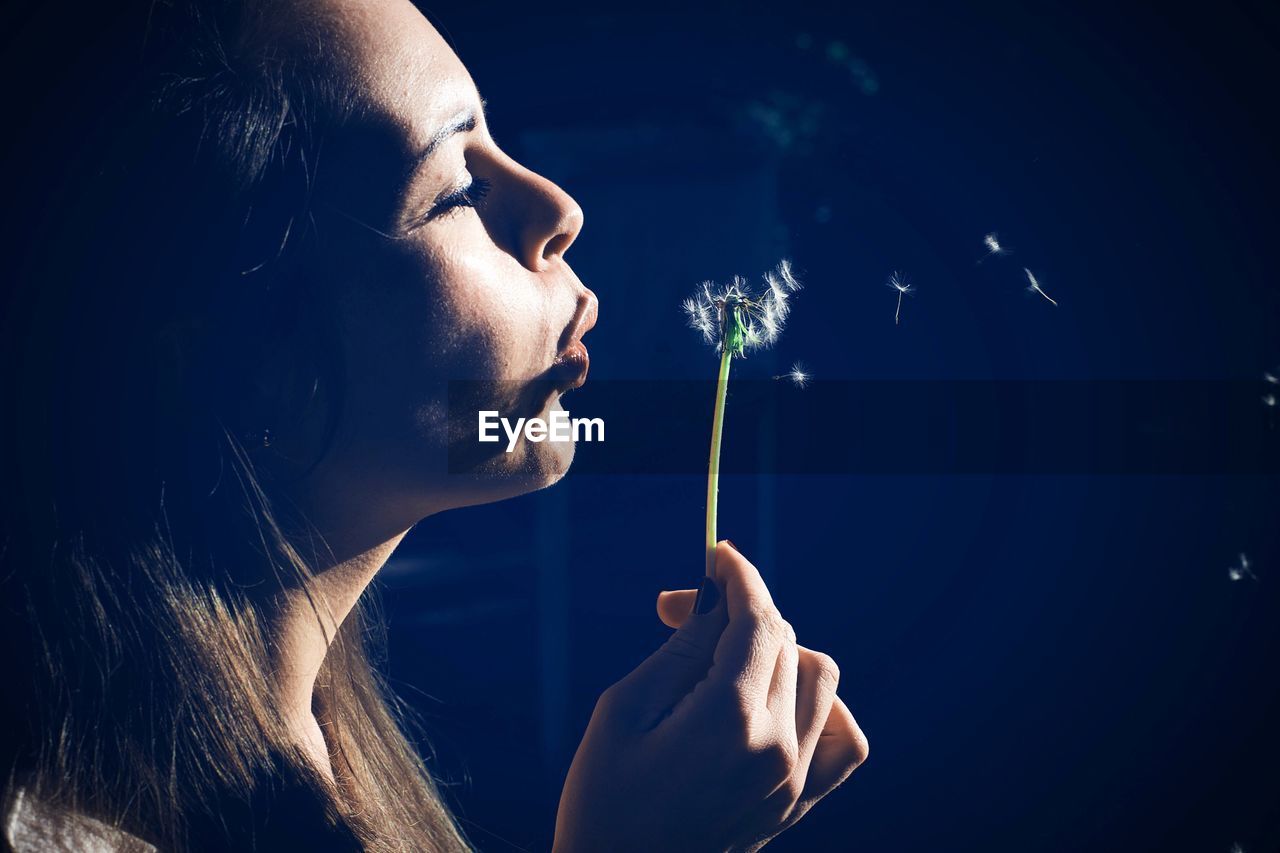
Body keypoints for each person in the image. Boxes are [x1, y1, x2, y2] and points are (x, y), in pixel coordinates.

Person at [0, 0, 868, 849]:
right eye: (457, 189)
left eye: (497, 142)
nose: (560, 208)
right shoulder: (63, 830)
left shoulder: (324, 747)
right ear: (240, 361)